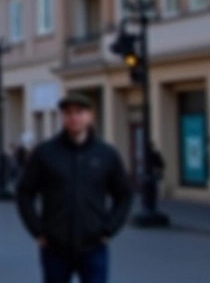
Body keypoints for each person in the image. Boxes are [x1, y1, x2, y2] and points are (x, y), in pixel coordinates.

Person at [16, 94, 132, 283]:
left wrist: (109, 228)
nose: (74, 117)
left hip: (93, 245)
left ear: (90, 116)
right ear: (62, 117)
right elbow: (24, 193)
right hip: (55, 247)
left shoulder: (106, 154)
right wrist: (37, 230)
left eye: (80, 112)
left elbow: (124, 195)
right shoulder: (45, 153)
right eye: (68, 113)